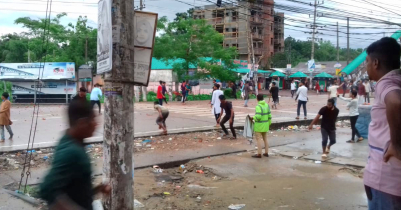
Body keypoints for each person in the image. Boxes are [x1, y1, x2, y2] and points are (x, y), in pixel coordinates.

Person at [40, 100, 110, 210]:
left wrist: (98, 189)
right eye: (92, 119)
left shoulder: (68, 141)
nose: (96, 123)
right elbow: (47, 189)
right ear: (82, 123)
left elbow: (76, 192)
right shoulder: (72, 152)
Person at [363, 37, 401, 209]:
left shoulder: (385, 82)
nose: (366, 66)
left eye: (367, 61)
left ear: (376, 63)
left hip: (386, 179)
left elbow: (395, 102)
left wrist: (396, 144)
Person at [250, 94, 272, 158]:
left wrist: (253, 118)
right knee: (265, 139)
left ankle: (259, 154)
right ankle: (266, 152)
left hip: (259, 126)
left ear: (257, 99)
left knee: (258, 139)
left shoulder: (258, 106)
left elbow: (258, 116)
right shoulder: (267, 105)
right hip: (265, 125)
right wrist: (269, 123)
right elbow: (269, 116)